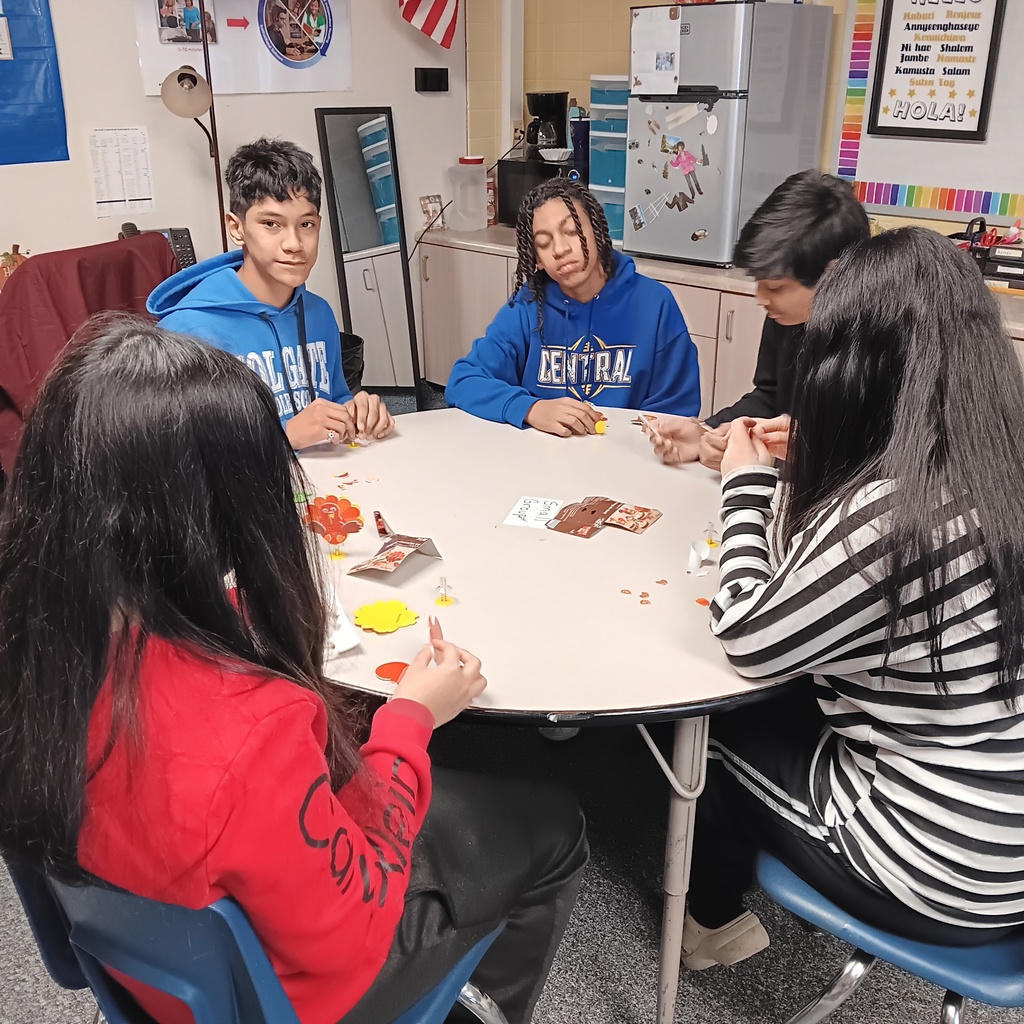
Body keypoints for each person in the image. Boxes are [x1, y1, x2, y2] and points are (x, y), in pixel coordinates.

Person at [0, 317, 589, 1024]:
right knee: (555, 824)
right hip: (293, 996)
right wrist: (409, 722)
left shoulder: (31, 644)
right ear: (225, 513)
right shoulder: (252, 729)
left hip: (150, 975)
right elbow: (361, 924)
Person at [680, 227, 1024, 971]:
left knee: (710, 726)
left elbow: (747, 632)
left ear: (863, 367)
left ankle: (710, 924)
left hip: (947, 866)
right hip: (1012, 839)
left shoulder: (894, 514)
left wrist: (747, 482)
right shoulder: (997, 460)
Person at [149, 138, 394, 450]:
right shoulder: (186, 333)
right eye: (271, 224)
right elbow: (174, 455)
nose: (293, 243)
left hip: (325, 486)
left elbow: (334, 398)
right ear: (236, 228)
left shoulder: (318, 313)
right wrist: (284, 437)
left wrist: (356, 412)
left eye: (306, 224)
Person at [648, 170, 869, 469]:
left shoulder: (879, 339)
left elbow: (874, 460)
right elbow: (769, 397)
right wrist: (708, 432)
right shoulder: (785, 316)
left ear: (834, 275)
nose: (761, 298)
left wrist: (782, 457)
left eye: (776, 287)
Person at [446, 179, 701, 436]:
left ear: (598, 231)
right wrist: (531, 408)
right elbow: (463, 381)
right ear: (537, 260)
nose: (560, 249)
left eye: (571, 231)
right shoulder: (527, 307)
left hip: (629, 456)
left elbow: (677, 409)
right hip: (545, 456)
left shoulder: (655, 304)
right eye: (544, 244)